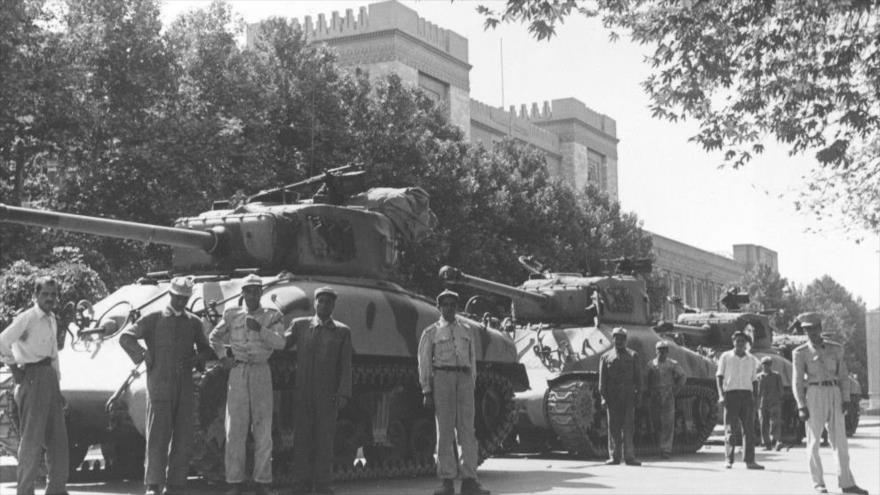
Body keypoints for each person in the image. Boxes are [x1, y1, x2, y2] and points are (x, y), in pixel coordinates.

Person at [119, 276, 214, 495]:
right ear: (170, 295)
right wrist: (143, 355)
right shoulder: (153, 318)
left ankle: (177, 483)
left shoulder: (193, 322)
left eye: (184, 298)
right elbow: (126, 337)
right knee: (158, 435)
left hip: (185, 384)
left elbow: (206, 349)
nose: (180, 301)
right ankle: (153, 484)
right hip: (160, 384)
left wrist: (197, 359)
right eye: (177, 297)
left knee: (183, 435)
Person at [209, 274, 285, 495]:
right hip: (238, 371)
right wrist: (223, 358)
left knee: (263, 428)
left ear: (261, 293)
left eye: (256, 290)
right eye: (248, 290)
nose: (252, 294)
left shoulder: (272, 315)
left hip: (261, 370)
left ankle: (263, 482)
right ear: (243, 293)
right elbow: (214, 336)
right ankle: (234, 482)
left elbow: (281, 343)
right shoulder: (232, 314)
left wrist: (260, 329)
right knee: (235, 429)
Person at [0, 276, 69, 495]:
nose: (49, 298)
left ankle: (56, 489)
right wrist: (15, 370)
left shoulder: (52, 319)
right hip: (32, 377)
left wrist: (57, 386)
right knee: (31, 440)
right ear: (35, 296)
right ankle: (25, 491)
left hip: (49, 378)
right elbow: (2, 340)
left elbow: (54, 355)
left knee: (58, 440)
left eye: (53, 294)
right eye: (45, 294)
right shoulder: (27, 318)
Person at [418, 290, 490, 495]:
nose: (449, 308)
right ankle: (447, 480)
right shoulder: (431, 332)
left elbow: (472, 358)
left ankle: (469, 479)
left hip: (464, 378)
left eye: (453, 304)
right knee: (445, 430)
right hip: (443, 378)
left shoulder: (466, 330)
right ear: (439, 307)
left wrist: (471, 382)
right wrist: (427, 389)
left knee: (468, 430)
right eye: (445, 304)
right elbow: (424, 363)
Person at [284, 286, 352, 495]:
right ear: (314, 303)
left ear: (333, 306)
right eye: (320, 301)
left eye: (328, 302)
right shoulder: (300, 325)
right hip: (303, 391)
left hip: (327, 393)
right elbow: (281, 343)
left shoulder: (341, 331)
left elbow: (346, 365)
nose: (324, 305)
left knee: (324, 440)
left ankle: (323, 484)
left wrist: (343, 393)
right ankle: (300, 484)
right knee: (302, 439)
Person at [792, 312, 868, 494]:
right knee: (813, 442)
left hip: (834, 392)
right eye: (806, 330)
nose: (810, 333)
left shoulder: (835, 349)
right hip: (814, 392)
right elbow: (797, 381)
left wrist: (846, 399)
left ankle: (847, 483)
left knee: (840, 442)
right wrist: (801, 405)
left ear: (820, 328)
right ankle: (818, 483)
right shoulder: (800, 352)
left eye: (813, 329)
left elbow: (843, 376)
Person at [716, 331, 763, 470]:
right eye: (737, 341)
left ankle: (750, 461)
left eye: (742, 341)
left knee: (749, 429)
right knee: (730, 428)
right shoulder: (725, 357)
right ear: (733, 342)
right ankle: (729, 460)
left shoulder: (751, 359)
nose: (740, 343)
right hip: (731, 395)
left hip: (747, 395)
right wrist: (721, 395)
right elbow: (719, 376)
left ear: (746, 343)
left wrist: (755, 396)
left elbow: (754, 380)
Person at [598, 327, 642, 466]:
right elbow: (602, 380)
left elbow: (638, 379)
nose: (619, 341)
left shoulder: (633, 356)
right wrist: (603, 397)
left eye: (622, 339)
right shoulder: (605, 357)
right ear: (613, 339)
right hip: (612, 397)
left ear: (625, 340)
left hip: (628, 396)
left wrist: (639, 395)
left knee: (629, 427)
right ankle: (614, 456)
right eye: (616, 338)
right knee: (613, 428)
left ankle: (629, 457)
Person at [646, 339, 686, 459]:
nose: (662, 353)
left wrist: (676, 389)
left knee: (668, 423)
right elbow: (646, 378)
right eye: (659, 350)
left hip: (668, 394)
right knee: (656, 422)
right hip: (654, 394)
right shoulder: (650, 365)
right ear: (656, 351)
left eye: (664, 350)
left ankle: (666, 449)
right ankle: (658, 446)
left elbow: (682, 376)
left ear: (667, 351)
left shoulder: (672, 364)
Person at [755, 355, 784, 451]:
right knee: (763, 424)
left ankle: (776, 442)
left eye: (768, 364)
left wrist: (779, 399)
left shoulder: (776, 376)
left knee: (775, 423)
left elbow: (781, 389)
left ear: (771, 365)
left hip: (774, 402)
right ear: (762, 365)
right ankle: (767, 444)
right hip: (762, 403)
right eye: (764, 364)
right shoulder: (758, 377)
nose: (766, 366)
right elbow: (756, 391)